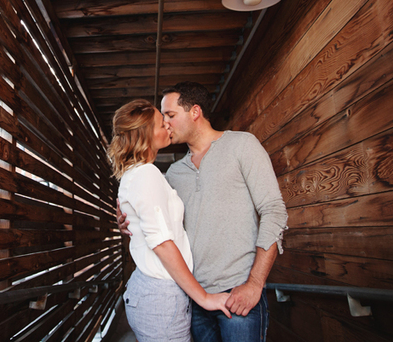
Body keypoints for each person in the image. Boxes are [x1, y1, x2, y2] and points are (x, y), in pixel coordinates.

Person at [117, 82, 288, 342]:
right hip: (193, 299)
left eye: (170, 116)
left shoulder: (242, 145)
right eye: (162, 119)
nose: (166, 125)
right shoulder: (172, 174)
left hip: (238, 295)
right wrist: (129, 223)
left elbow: (274, 211)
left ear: (195, 112)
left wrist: (254, 284)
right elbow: (160, 228)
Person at [110, 99, 231, 342]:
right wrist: (204, 298)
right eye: (160, 122)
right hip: (160, 298)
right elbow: (162, 243)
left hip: (156, 293)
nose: (167, 125)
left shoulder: (140, 174)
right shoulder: (146, 174)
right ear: (145, 134)